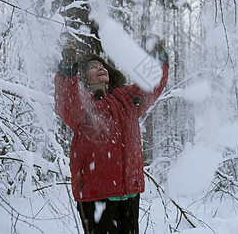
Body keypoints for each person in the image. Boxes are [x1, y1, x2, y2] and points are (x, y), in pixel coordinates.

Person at [54, 40, 169, 234]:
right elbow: (66, 100)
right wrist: (67, 67)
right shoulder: (82, 103)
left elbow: (152, 84)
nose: (100, 67)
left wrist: (158, 59)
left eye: (102, 65)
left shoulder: (126, 98)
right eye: (92, 67)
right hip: (96, 195)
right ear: (82, 78)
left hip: (129, 194)